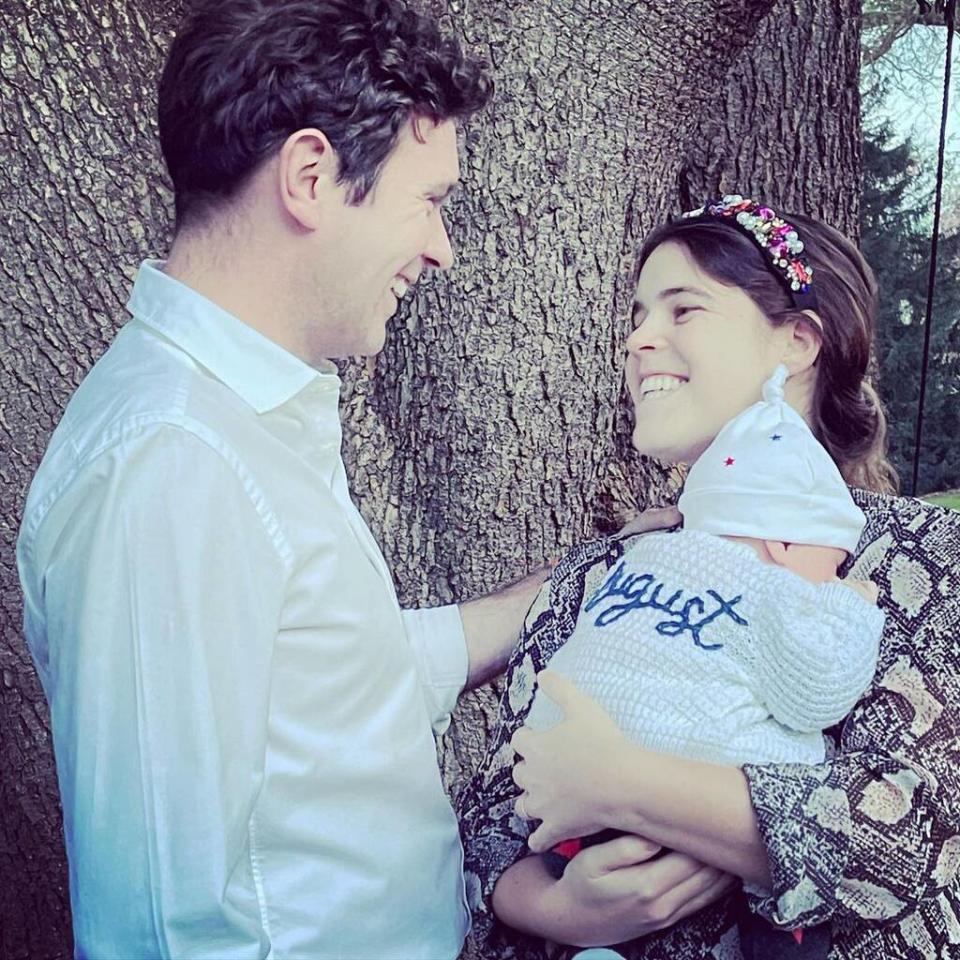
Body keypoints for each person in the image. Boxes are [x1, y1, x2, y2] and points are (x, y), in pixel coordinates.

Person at [15, 1, 564, 956]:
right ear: (310, 178)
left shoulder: (240, 424)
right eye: (429, 200)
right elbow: (158, 929)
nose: (442, 249)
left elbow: (333, 680)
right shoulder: (171, 464)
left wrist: (583, 582)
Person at [459, 196, 960, 959]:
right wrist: (560, 913)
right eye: (637, 314)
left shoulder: (919, 561)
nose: (638, 339)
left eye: (682, 308)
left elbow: (919, 840)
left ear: (796, 341)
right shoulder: (608, 568)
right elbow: (490, 823)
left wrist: (624, 782)